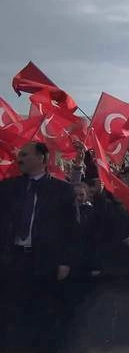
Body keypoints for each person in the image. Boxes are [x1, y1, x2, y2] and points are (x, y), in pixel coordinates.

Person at [0, 142, 78, 352]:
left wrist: (65, 261)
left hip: (45, 261)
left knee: (43, 312)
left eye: (25, 154)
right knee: (13, 312)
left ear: (42, 158)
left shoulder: (62, 190)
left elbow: (71, 229)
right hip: (14, 259)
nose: (20, 159)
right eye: (19, 155)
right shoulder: (9, 187)